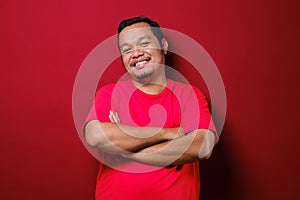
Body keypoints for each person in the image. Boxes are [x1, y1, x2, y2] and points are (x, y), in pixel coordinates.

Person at [84, 16, 218, 200]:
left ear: (163, 45)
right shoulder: (108, 94)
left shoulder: (189, 95)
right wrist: (168, 133)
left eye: (144, 43)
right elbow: (95, 136)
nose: (136, 53)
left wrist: (124, 149)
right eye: (127, 49)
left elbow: (203, 146)